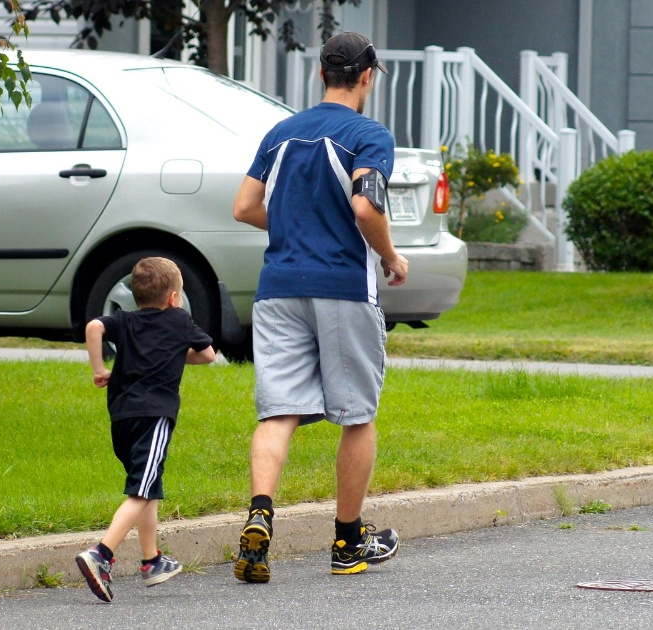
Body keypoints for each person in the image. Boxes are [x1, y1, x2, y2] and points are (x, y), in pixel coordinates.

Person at [230, 31, 408, 582]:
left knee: (278, 411)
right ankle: (347, 543)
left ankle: (259, 516)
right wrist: (392, 257)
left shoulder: (281, 132)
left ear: (321, 74)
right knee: (357, 414)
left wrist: (293, 224)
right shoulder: (368, 135)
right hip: (342, 289)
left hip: (278, 288)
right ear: (366, 77)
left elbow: (243, 207)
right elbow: (365, 205)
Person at [75, 256, 217, 602]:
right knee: (140, 489)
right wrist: (173, 352)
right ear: (172, 298)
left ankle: (152, 560)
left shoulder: (124, 320)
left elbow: (94, 327)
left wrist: (98, 368)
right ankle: (102, 554)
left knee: (149, 484)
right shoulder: (180, 320)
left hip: (121, 417)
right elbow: (208, 354)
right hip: (155, 417)